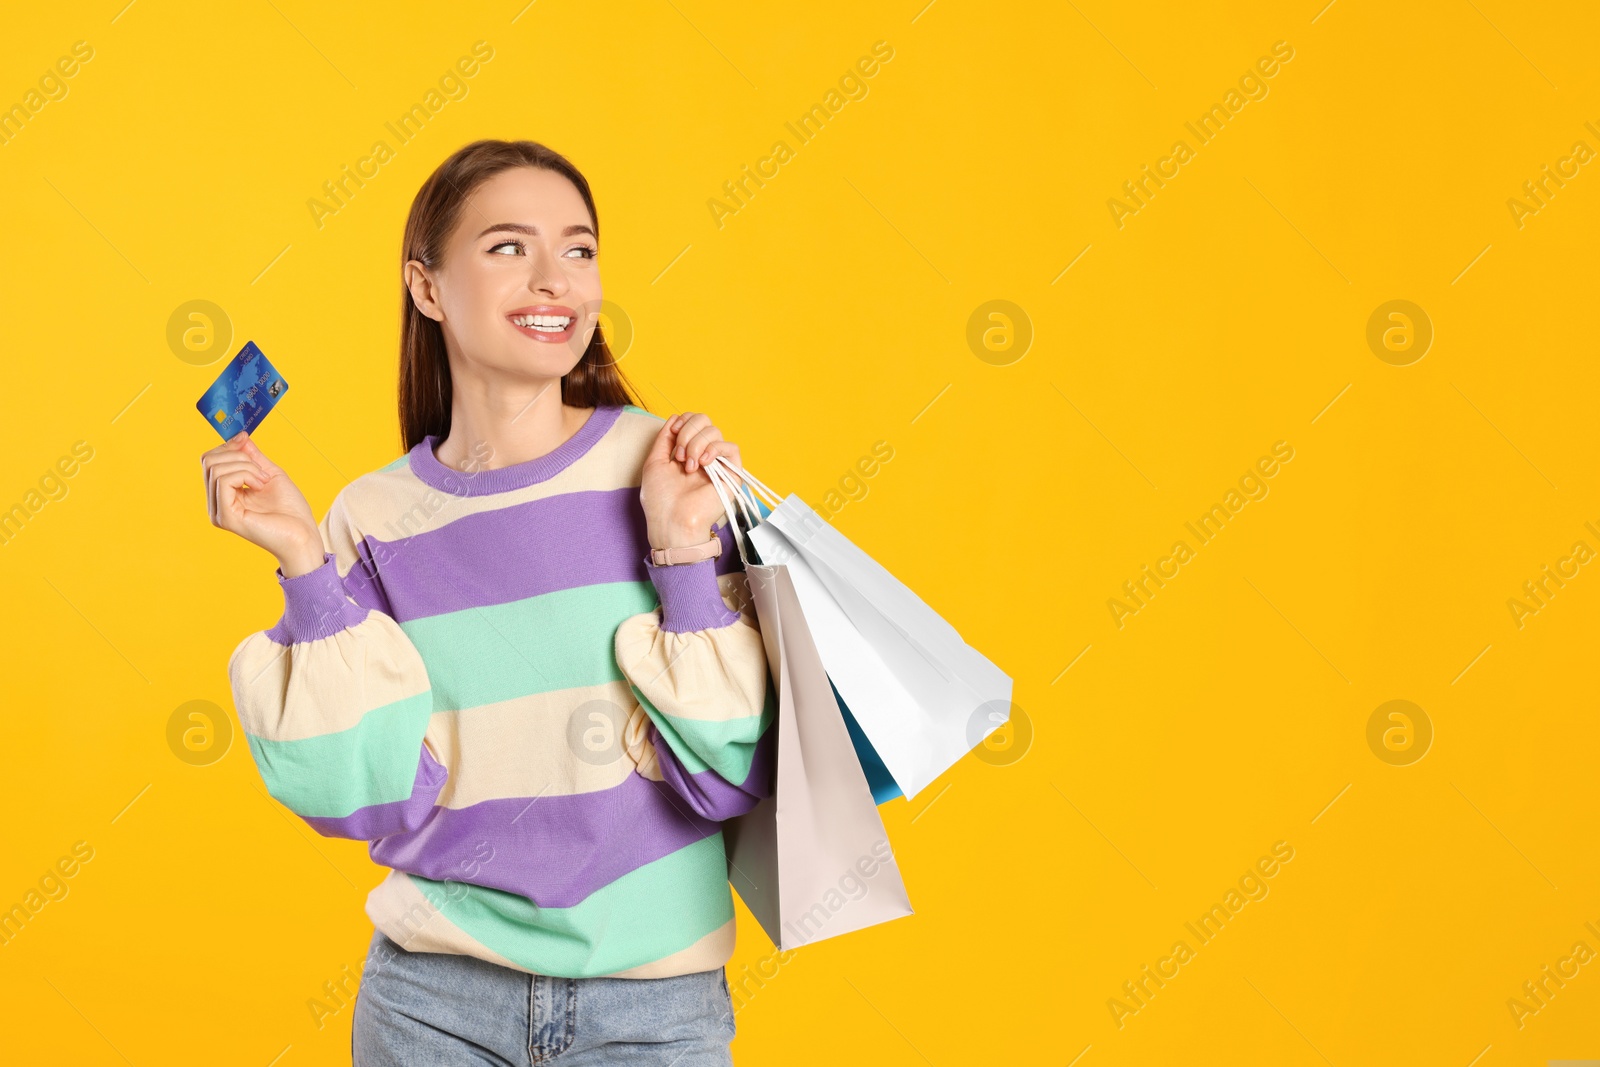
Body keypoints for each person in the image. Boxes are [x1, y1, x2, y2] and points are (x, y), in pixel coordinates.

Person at [201, 138, 775, 1065]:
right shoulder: (375, 514)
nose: (555, 281)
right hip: (433, 998)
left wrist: (678, 547)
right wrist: (304, 560)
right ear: (426, 288)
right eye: (509, 247)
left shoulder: (661, 465)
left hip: (654, 1007)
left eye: (578, 250)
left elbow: (731, 768)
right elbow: (365, 789)